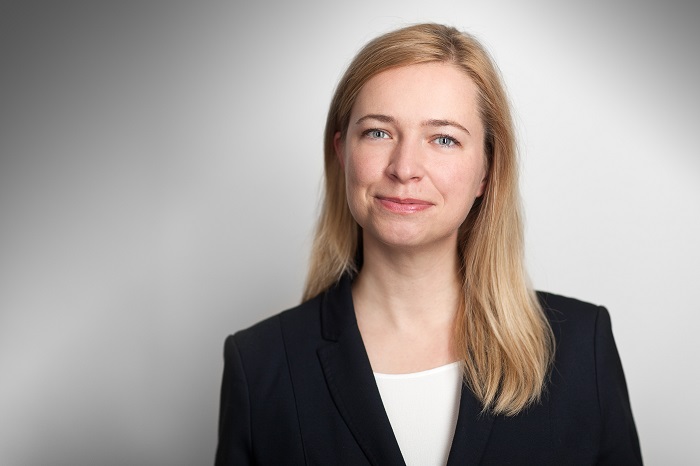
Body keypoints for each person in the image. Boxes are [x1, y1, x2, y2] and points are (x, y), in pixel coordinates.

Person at [214, 23, 642, 465]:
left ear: (486, 171)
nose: (404, 168)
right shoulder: (259, 365)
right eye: (378, 132)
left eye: (443, 139)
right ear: (342, 153)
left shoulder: (581, 347)